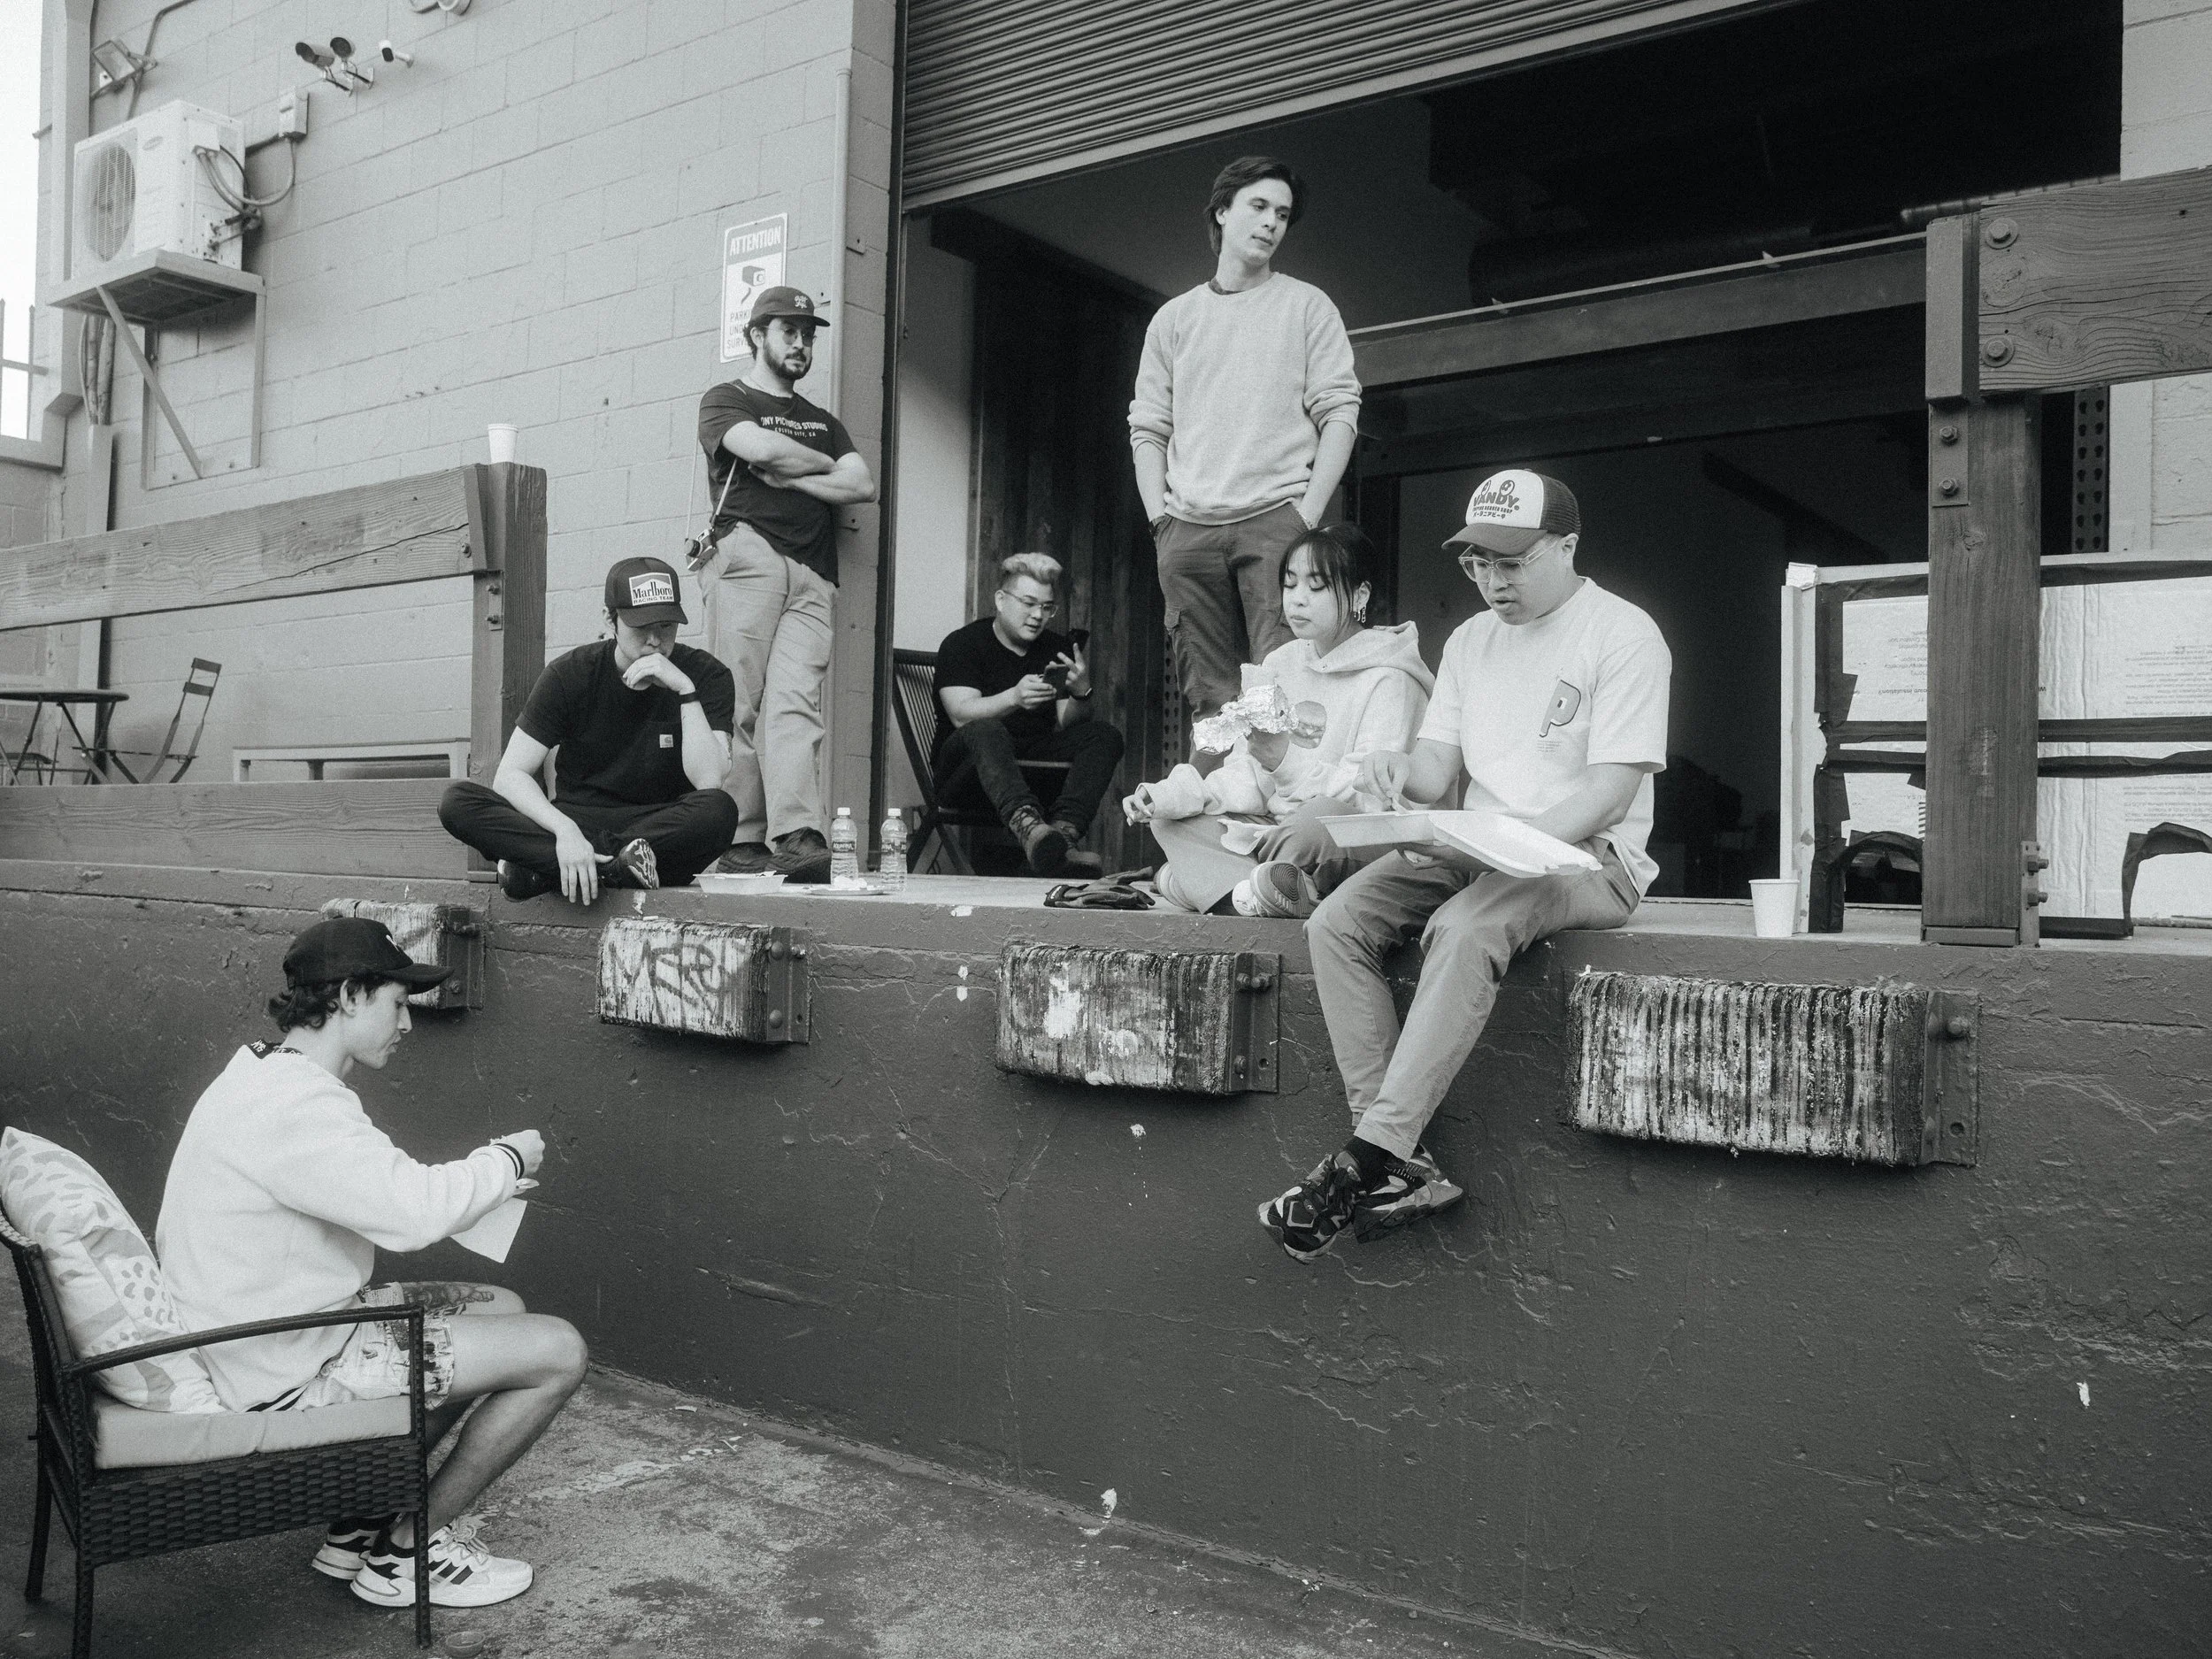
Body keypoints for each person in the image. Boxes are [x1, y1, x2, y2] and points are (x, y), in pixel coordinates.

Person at [1258, 471, 1671, 1260]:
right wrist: (1391, 770)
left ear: (1567, 547)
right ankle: (1399, 1164)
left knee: (1462, 925)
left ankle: (1365, 1157)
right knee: (1336, 921)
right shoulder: (1472, 639)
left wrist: (1509, 849)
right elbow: (1436, 762)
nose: (1492, 581)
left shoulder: (1622, 634)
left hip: (1589, 857)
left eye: (1511, 562)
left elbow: (1612, 788)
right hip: (1480, 844)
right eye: (1477, 562)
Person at [156, 917, 587, 1608]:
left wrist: (475, 1182)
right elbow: (411, 1210)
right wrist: (503, 1163)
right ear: (351, 996)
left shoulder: (264, 1073)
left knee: (498, 1308)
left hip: (270, 1332)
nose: (407, 1023)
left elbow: (386, 1191)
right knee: (560, 1350)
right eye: (397, 1000)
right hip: (286, 1363)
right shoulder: (296, 1106)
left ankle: (359, 1522)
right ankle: (409, 1551)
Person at [1128, 155, 1362, 723]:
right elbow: (1148, 427)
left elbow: (1341, 412)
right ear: (1222, 212)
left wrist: (1306, 514)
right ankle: (1211, 809)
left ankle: (1276, 811)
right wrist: (1160, 520)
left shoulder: (1308, 306)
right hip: (1188, 529)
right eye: (1258, 207)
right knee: (1208, 699)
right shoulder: (1174, 319)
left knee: (1281, 683)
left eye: (1282, 214)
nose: (1271, 223)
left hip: (1275, 520)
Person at [1122, 524, 1431, 918]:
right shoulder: (1278, 663)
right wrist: (1172, 797)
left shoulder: (1392, 677)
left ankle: (1207, 884)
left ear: (1360, 594)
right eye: (1289, 584)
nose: (1297, 600)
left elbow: (1371, 800)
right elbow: (1247, 776)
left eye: (1316, 587)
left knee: (1314, 822)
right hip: (1273, 830)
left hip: (1342, 835)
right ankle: (1262, 892)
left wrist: (1284, 762)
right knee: (1170, 822)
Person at [696, 286, 879, 881]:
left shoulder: (825, 422)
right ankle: (739, 836)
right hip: (747, 555)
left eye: (809, 334)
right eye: (789, 331)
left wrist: (790, 473)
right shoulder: (728, 398)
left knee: (796, 705)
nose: (802, 344)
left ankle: (797, 833)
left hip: (813, 576)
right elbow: (757, 446)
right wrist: (808, 462)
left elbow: (861, 485)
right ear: (757, 335)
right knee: (738, 701)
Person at [439, 557, 741, 902]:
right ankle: (615, 871)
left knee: (719, 811)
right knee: (458, 802)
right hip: (576, 823)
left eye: (667, 626)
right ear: (609, 618)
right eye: (641, 626)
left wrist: (686, 693)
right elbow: (510, 775)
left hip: (657, 833)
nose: (656, 640)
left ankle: (548, 871)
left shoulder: (707, 676)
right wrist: (564, 831)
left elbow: (709, 782)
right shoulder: (570, 674)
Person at [933, 553, 1126, 876]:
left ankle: (1059, 838)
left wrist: (1081, 691)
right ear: (1001, 599)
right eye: (1028, 603)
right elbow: (961, 716)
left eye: (1047, 607)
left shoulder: (1055, 647)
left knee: (1105, 735)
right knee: (987, 728)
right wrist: (1014, 697)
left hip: (1032, 768)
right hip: (967, 775)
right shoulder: (963, 644)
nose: (1038, 615)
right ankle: (1030, 829)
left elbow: (1066, 721)